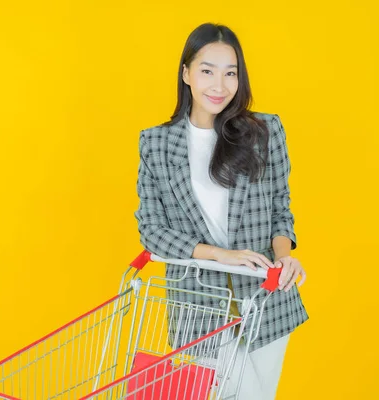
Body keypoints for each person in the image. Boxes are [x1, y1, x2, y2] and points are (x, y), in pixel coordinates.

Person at [133, 23, 309, 399]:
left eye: (231, 73)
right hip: (198, 304)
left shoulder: (265, 131)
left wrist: (284, 257)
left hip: (266, 298)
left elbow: (281, 206)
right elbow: (151, 229)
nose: (219, 85)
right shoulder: (157, 143)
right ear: (186, 73)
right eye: (207, 70)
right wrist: (220, 255)